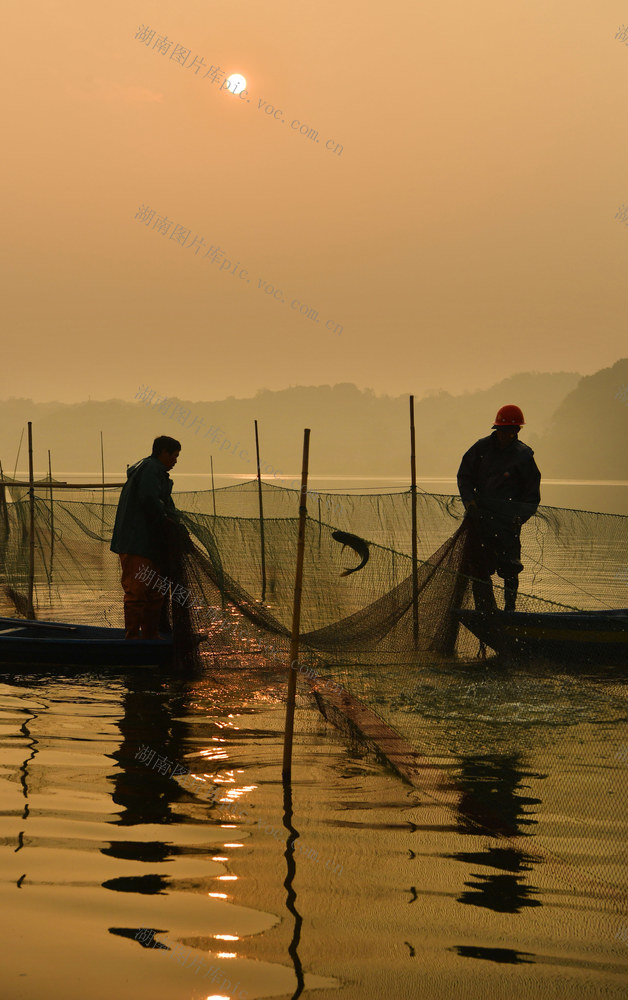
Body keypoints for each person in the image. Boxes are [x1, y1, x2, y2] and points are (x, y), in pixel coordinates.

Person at [457, 405, 541, 613]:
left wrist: (519, 518)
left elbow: (532, 495)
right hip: (481, 521)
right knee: (478, 566)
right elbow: (464, 477)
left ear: (518, 431)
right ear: (496, 429)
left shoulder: (524, 456)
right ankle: (484, 609)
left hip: (508, 524)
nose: (507, 436)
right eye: (503, 431)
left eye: (511, 431)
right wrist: (470, 503)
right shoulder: (480, 449)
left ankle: (510, 610)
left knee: (510, 567)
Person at [111, 435, 183, 639]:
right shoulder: (151, 469)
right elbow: (150, 500)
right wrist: (165, 521)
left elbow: (162, 503)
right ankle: (132, 638)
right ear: (163, 453)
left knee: (155, 592)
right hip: (136, 543)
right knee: (137, 592)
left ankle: (151, 637)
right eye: (174, 456)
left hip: (151, 545)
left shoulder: (155, 471)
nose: (175, 461)